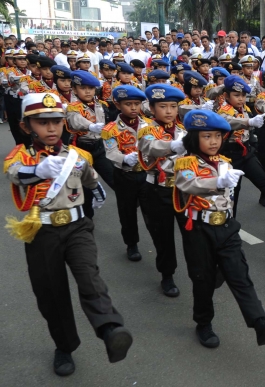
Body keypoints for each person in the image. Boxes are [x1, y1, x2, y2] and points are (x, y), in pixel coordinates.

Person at [4, 92, 132, 376]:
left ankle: (111, 329)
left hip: (77, 227)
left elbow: (90, 179)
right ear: (27, 127)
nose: (51, 128)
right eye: (42, 123)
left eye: (56, 122)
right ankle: (64, 346)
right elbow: (15, 174)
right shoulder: (21, 156)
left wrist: (95, 193)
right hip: (42, 231)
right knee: (51, 293)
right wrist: (37, 169)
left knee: (90, 277)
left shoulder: (79, 155)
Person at [173, 109, 265, 348]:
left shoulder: (225, 162)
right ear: (194, 138)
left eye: (217, 136)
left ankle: (260, 324)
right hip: (199, 229)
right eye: (206, 136)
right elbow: (188, 183)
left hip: (225, 226)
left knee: (240, 275)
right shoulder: (185, 163)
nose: (213, 142)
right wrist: (217, 182)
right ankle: (203, 324)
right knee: (202, 279)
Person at [137, 84, 187, 297]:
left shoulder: (185, 131)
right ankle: (167, 275)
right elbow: (151, 147)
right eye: (163, 106)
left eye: (173, 106)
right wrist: (172, 147)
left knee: (194, 233)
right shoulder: (146, 130)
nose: (168, 111)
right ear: (151, 108)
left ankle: (205, 269)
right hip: (157, 190)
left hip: (183, 190)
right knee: (163, 236)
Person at [101, 85, 153, 261]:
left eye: (137, 104)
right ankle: (131, 244)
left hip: (146, 174)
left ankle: (158, 240)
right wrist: (124, 159)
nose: (133, 108)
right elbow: (110, 152)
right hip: (125, 175)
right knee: (127, 211)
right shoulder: (111, 129)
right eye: (128, 104)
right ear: (118, 105)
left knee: (151, 211)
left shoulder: (149, 125)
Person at [215, 76, 265, 213]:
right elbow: (227, 121)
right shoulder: (224, 110)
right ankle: (230, 224)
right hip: (230, 154)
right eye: (236, 95)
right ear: (226, 96)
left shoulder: (244, 108)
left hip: (246, 152)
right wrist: (248, 123)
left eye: (243, 95)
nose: (241, 99)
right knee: (232, 192)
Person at [66, 70, 115, 219]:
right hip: (81, 148)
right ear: (74, 89)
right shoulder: (73, 107)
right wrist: (90, 126)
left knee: (113, 176)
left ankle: (130, 202)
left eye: (91, 88)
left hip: (99, 147)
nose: (87, 91)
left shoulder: (101, 104)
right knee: (86, 185)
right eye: (83, 88)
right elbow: (75, 120)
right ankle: (87, 218)